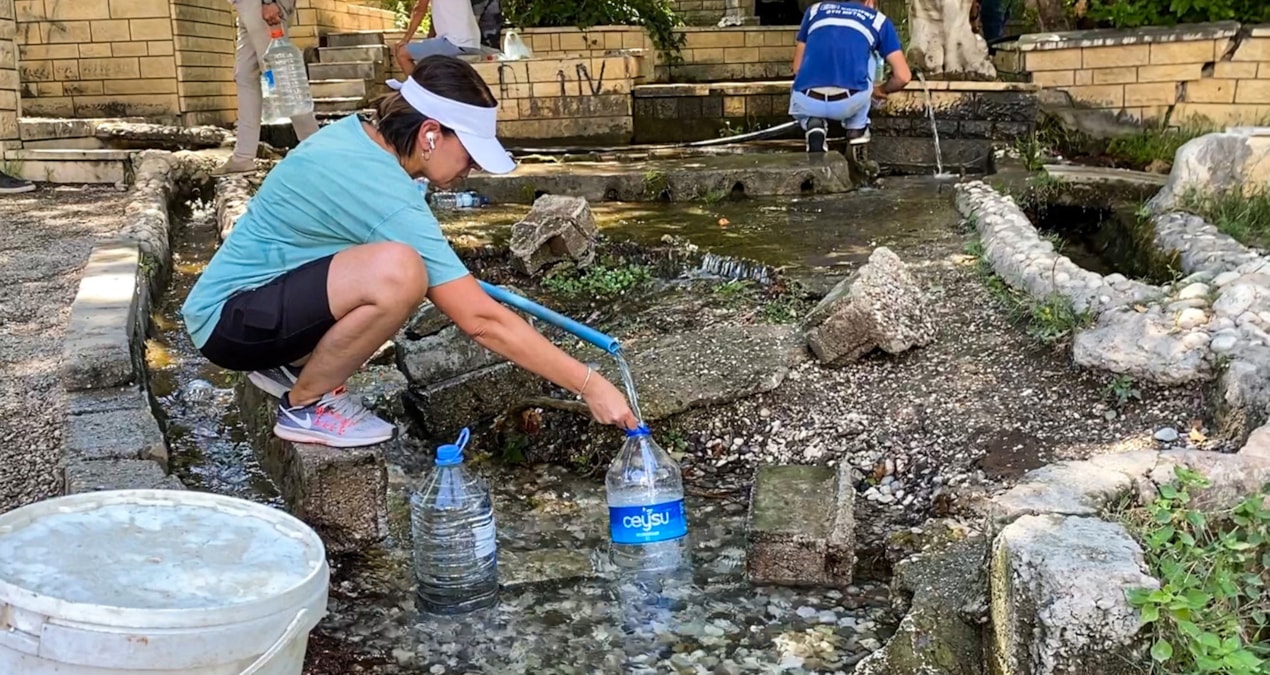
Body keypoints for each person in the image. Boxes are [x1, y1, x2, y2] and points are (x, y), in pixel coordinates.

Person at [182, 55, 638, 448]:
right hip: (232, 323)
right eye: (471, 154)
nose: (473, 168)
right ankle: (306, 405)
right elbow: (480, 321)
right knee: (401, 272)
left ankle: (292, 368)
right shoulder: (382, 189)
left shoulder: (359, 138)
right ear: (431, 135)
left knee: (406, 267)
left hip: (253, 309)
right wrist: (590, 384)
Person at [213, 0, 319, 177]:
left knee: (282, 76)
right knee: (245, 75)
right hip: (248, 6)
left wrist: (268, 2)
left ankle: (318, 150)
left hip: (260, 5)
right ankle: (243, 158)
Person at [790, 0, 911, 153]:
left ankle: (813, 124)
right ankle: (857, 129)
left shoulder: (814, 11)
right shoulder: (877, 20)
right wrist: (881, 90)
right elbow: (903, 76)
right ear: (870, 1)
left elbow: (797, 68)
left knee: (802, 81)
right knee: (870, 56)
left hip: (807, 100)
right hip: (849, 101)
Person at [392, 0, 483, 77]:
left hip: (454, 43)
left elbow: (419, 10)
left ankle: (418, 91)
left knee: (402, 53)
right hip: (473, 44)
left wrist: (405, 39)